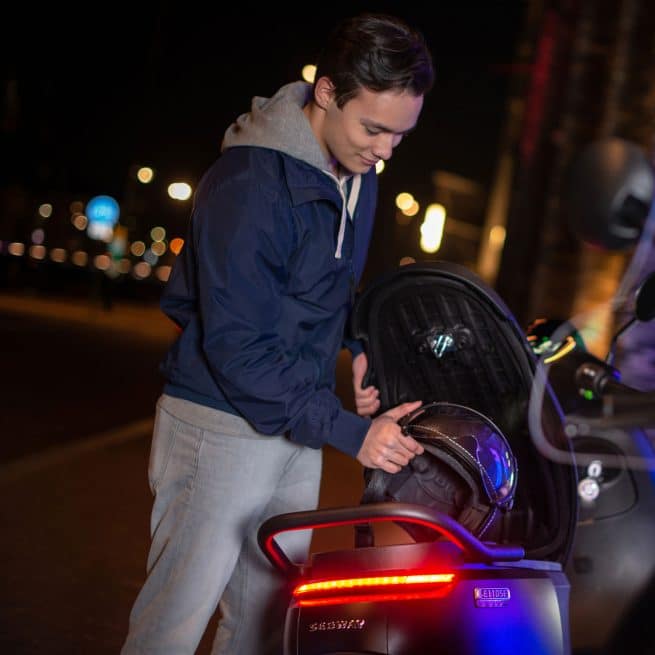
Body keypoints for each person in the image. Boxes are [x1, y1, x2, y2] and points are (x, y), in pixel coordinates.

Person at [122, 12, 434, 655]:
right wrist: (353, 433)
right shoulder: (248, 185)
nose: (384, 151)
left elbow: (326, 287)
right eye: (374, 128)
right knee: (173, 627)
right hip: (219, 425)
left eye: (400, 136)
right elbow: (235, 344)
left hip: (296, 423)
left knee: (266, 625)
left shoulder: (358, 175)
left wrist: (356, 348)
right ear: (326, 92)